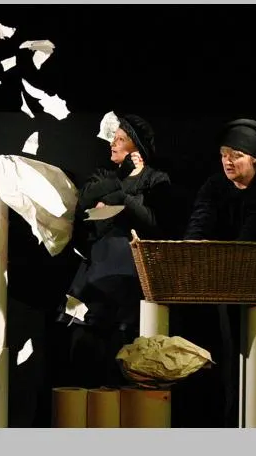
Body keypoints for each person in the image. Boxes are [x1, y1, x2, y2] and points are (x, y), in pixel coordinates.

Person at [179, 118, 256, 427]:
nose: (228, 161)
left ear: (254, 159)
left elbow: (253, 233)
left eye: (236, 155)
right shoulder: (214, 186)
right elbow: (200, 220)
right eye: (224, 154)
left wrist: (233, 259)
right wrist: (192, 249)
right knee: (221, 360)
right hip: (218, 285)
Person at [55, 113, 172, 389]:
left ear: (137, 146)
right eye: (113, 138)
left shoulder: (156, 179)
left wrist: (119, 199)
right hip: (96, 271)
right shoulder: (104, 175)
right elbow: (84, 204)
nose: (113, 144)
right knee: (84, 347)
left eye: (120, 139)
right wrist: (120, 182)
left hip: (132, 275)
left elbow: (153, 222)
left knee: (124, 351)